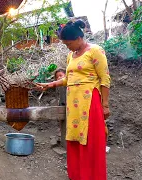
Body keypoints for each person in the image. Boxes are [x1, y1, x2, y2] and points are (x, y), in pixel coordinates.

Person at [35, 20, 111, 180]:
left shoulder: (96, 51)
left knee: (90, 141)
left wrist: (105, 105)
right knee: (75, 138)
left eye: (68, 43)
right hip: (74, 105)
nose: (67, 47)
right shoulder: (71, 55)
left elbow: (105, 79)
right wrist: (49, 84)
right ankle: (77, 176)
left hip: (90, 103)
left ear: (78, 38)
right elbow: (68, 79)